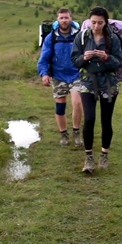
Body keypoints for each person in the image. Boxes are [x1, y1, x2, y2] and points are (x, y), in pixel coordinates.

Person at [71, 6, 122, 173]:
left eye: (100, 23)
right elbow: (74, 60)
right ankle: (88, 158)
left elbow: (119, 62)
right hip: (87, 81)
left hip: (109, 82)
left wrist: (106, 57)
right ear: (89, 21)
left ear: (105, 22)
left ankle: (104, 155)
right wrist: (83, 58)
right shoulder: (82, 37)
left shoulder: (113, 38)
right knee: (90, 119)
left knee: (106, 120)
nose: (96, 26)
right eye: (93, 22)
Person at [37, 8, 84, 147]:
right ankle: (63, 134)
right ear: (58, 20)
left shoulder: (79, 35)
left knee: (77, 103)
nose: (64, 20)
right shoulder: (51, 37)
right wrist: (44, 73)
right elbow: (44, 58)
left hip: (76, 74)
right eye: (61, 18)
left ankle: (76, 132)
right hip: (58, 76)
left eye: (66, 17)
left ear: (71, 19)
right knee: (60, 107)